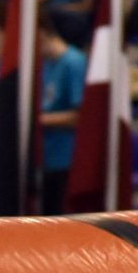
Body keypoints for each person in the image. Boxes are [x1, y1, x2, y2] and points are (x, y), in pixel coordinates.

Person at [32, 14, 85, 216]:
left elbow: (80, 116)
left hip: (65, 158)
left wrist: (38, 121)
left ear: (41, 33)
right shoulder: (45, 65)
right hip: (46, 157)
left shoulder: (73, 63)